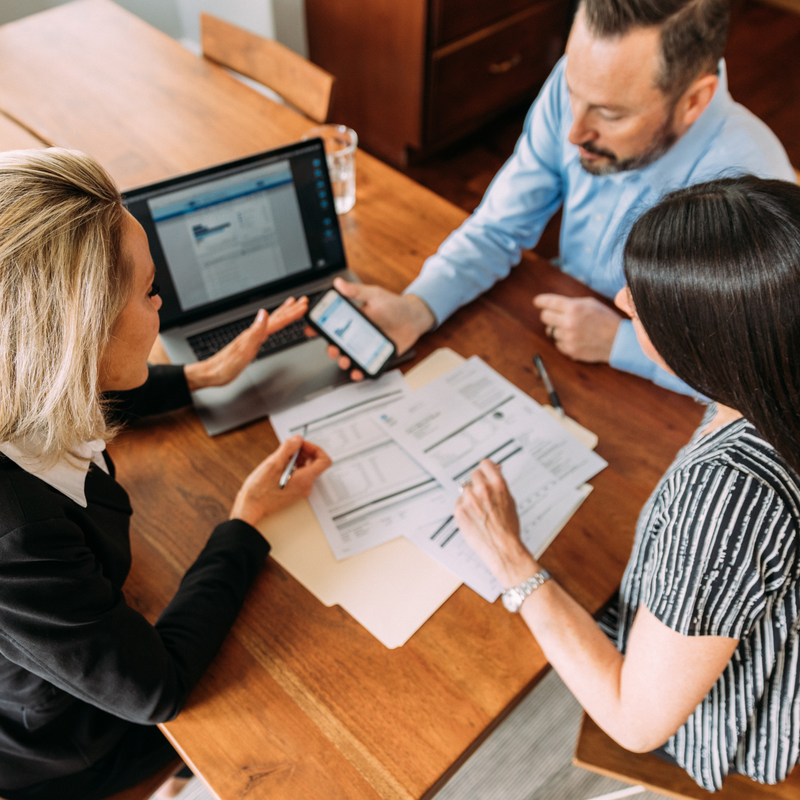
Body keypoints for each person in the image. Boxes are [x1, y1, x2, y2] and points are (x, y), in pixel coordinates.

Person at [0, 148, 332, 800]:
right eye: (148, 290)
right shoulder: (19, 540)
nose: (162, 301)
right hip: (68, 744)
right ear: (80, 335)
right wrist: (244, 523)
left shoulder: (19, 372)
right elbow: (156, 691)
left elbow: (74, 389)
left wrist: (199, 376)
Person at [453, 175, 800, 792]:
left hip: (733, 724)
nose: (620, 300)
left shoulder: (728, 502)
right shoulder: (772, 382)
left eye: (645, 302)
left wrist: (510, 560)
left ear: (708, 345)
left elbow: (634, 721)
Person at [324, 0, 795, 394]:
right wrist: (417, 307)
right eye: (573, 92)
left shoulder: (754, 186)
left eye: (611, 114)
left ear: (693, 101)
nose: (574, 132)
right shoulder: (584, 84)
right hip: (554, 346)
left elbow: (765, 379)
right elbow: (499, 226)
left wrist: (620, 343)